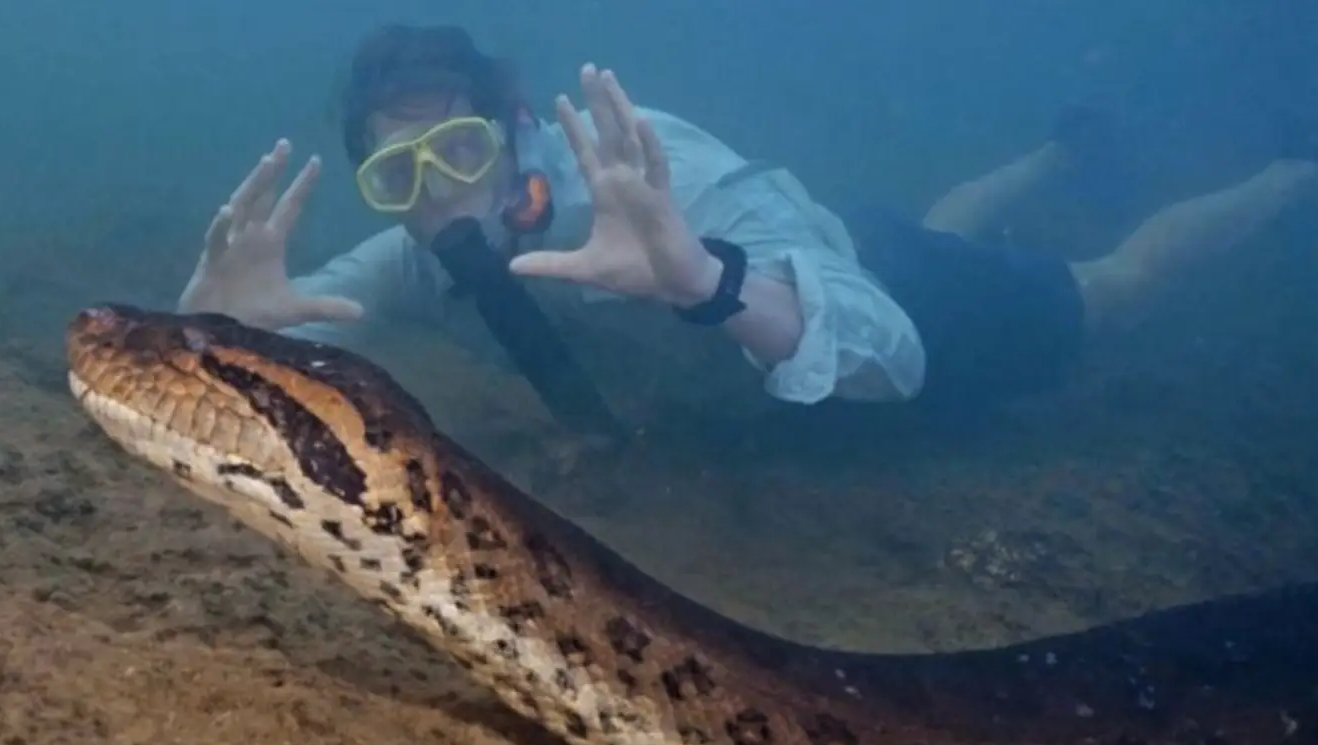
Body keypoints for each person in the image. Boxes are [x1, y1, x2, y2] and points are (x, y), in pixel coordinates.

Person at [178, 23, 1317, 426]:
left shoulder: (650, 184)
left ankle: (1292, 170)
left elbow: (891, 349)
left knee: (1112, 288)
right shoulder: (426, 254)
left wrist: (708, 282)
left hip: (871, 281)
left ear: (516, 135)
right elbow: (314, 318)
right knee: (926, 219)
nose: (438, 196)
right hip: (841, 237)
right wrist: (218, 338)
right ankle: (1063, 153)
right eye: (397, 174)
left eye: (461, 152)